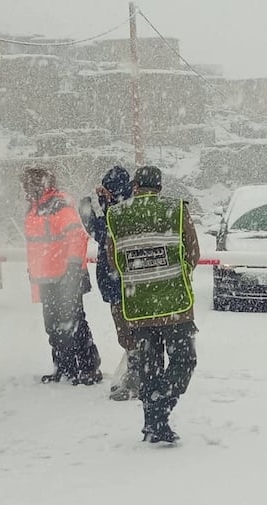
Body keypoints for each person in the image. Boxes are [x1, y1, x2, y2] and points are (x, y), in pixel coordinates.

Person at [105, 165, 200, 443]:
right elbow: (193, 253)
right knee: (184, 361)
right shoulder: (176, 210)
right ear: (159, 186)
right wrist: (174, 272)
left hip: (138, 307)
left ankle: (153, 422)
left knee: (149, 367)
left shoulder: (117, 215)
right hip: (176, 306)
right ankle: (161, 409)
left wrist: (140, 277)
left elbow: (114, 261)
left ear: (135, 186)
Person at [21, 164, 102, 386]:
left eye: (29, 184)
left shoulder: (57, 205)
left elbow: (77, 237)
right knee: (54, 326)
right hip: (47, 278)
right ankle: (64, 367)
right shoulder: (36, 208)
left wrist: (73, 270)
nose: (25, 189)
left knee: (74, 324)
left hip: (66, 277)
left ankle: (87, 369)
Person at [79, 166, 140, 401]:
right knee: (130, 334)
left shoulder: (119, 213)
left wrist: (89, 208)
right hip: (124, 284)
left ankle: (136, 380)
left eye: (105, 189)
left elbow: (102, 232)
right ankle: (137, 376)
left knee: (129, 334)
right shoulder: (119, 208)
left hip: (122, 284)